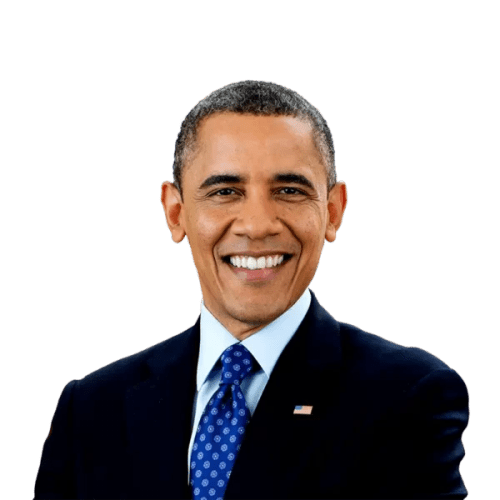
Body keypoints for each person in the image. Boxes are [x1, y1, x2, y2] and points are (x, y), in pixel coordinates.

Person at [34, 80, 469, 500]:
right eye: (226, 191)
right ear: (175, 213)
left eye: (289, 190)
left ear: (333, 211)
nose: (258, 225)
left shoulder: (407, 397)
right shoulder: (91, 409)